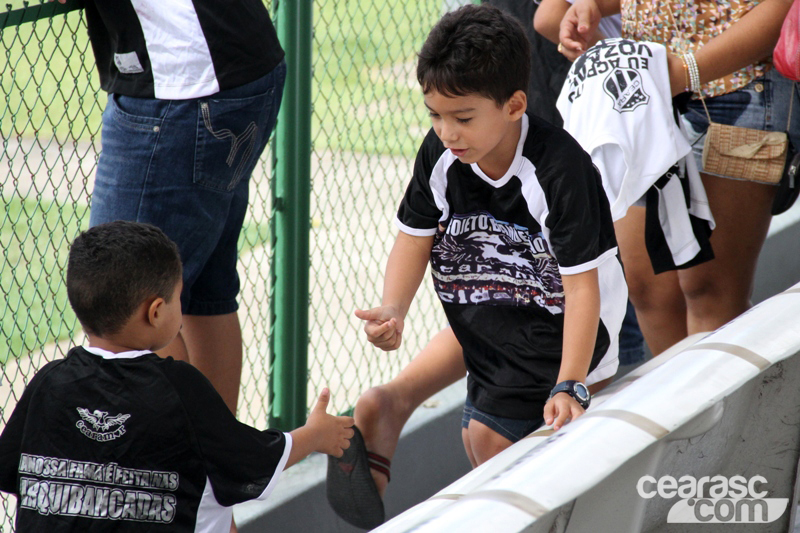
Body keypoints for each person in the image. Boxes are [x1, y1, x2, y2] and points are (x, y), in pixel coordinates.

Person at [327, 4, 628, 528]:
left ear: (515, 105)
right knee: (490, 448)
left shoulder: (560, 171)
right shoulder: (442, 156)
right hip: (489, 318)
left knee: (553, 460)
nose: (446, 132)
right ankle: (396, 406)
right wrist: (394, 307)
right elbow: (413, 237)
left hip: (568, 334)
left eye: (462, 117)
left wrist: (571, 382)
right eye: (435, 116)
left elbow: (583, 292)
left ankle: (396, 404)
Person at [0, 221, 354, 532]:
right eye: (178, 299)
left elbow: (8, 468)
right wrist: (315, 435)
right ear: (156, 312)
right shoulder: (181, 388)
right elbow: (250, 464)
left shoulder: (48, 383)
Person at [55, 0, 287, 415]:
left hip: (183, 82)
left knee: (118, 306)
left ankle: (179, 469)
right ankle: (217, 467)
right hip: (237, 66)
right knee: (199, 293)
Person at [556, 0, 798, 355]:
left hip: (737, 85)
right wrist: (593, 5)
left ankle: (729, 408)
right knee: (647, 287)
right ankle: (686, 409)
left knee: (709, 290)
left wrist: (686, 72)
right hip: (643, 96)